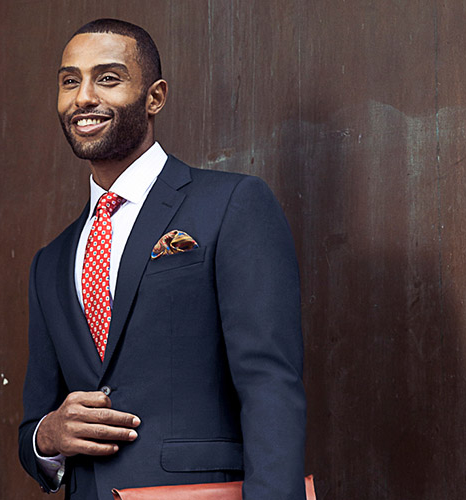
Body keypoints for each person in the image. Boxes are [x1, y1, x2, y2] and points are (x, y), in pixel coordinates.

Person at [18, 18, 306, 499]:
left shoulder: (232, 204)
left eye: (107, 78)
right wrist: (46, 437)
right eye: (70, 81)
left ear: (155, 97)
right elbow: (36, 423)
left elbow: (270, 384)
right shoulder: (50, 262)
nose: (84, 97)